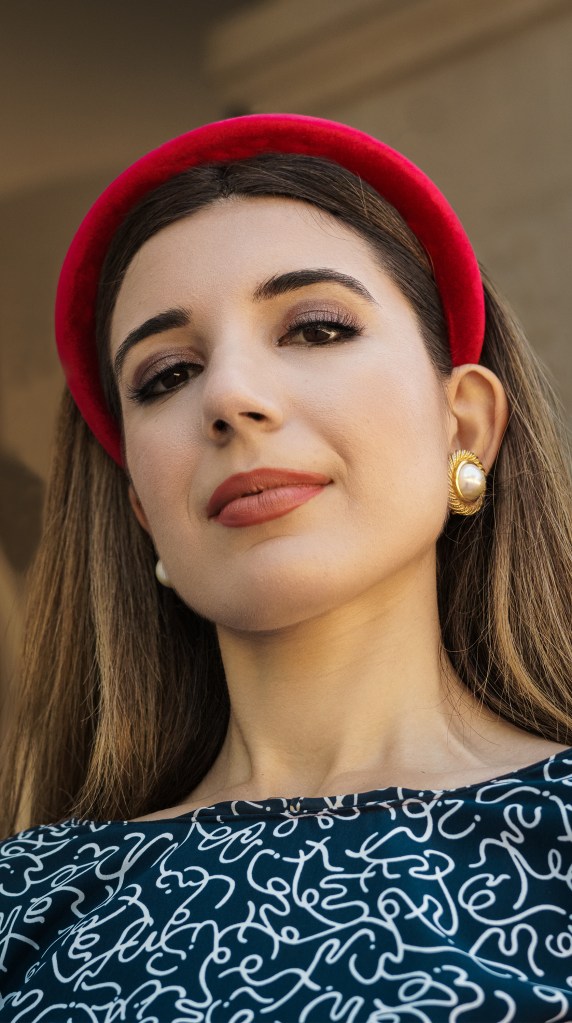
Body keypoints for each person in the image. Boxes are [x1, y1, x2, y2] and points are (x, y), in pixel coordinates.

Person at [0, 114, 571, 1022]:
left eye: (314, 328)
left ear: (462, 424)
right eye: (164, 376)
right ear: (145, 507)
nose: (229, 395)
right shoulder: (32, 905)